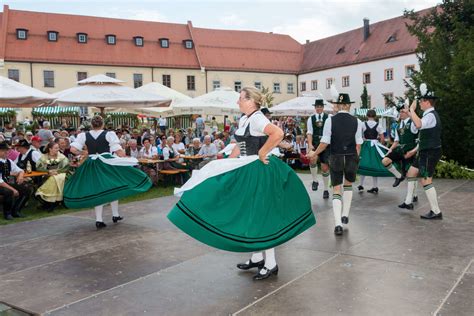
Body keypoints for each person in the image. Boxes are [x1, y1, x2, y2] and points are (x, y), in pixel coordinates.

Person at [167, 87, 315, 281]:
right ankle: (256, 256)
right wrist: (226, 163)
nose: (238, 102)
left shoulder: (257, 118)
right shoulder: (246, 119)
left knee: (261, 215)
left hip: (260, 170)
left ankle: (270, 263)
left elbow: (277, 134)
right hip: (248, 167)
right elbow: (239, 145)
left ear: (251, 101)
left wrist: (262, 153)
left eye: (240, 99)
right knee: (251, 213)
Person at [64, 115, 152, 229]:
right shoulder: (109, 134)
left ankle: (100, 219)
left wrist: (84, 153)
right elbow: (118, 151)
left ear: (91, 124)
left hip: (92, 164)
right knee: (113, 186)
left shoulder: (83, 135)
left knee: (98, 190)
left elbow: (73, 149)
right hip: (107, 163)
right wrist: (127, 158)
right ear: (103, 124)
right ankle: (114, 215)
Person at [307, 92, 362, 236]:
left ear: (338, 105)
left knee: (336, 189)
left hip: (336, 156)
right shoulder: (357, 121)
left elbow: (325, 142)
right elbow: (358, 144)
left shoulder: (330, 120)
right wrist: (357, 158)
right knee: (348, 184)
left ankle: (338, 223)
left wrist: (315, 153)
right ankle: (345, 214)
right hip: (351, 156)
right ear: (349, 106)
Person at [402, 84, 443, 219]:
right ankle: (408, 202)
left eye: (420, 101)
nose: (419, 103)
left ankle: (436, 211)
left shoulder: (431, 116)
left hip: (430, 152)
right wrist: (410, 112)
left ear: (426, 101)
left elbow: (418, 124)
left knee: (426, 181)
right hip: (425, 151)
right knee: (411, 172)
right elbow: (416, 126)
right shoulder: (428, 115)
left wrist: (412, 110)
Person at [382, 105, 419, 188]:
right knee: (385, 160)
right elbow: (396, 141)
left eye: (403, 111)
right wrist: (390, 149)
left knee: (411, 175)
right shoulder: (398, 125)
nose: (401, 113)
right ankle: (399, 176)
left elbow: (419, 132)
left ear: (407, 112)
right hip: (400, 150)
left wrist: (413, 151)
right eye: (400, 112)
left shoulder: (412, 123)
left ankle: (414, 195)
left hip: (410, 151)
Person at [357, 109, 387, 194]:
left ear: (367, 116)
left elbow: (359, 135)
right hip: (375, 146)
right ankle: (375, 186)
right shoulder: (378, 125)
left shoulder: (363, 124)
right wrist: (380, 145)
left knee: (363, 164)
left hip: (365, 145)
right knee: (375, 165)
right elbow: (382, 138)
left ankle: (361, 185)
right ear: (375, 116)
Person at [35, 142, 70, 212]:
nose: (58, 149)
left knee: (55, 178)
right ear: (50, 149)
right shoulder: (44, 157)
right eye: (56, 148)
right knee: (53, 178)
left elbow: (66, 167)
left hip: (60, 175)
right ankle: (51, 202)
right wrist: (48, 172)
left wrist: (57, 172)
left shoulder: (61, 157)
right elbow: (38, 167)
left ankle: (52, 202)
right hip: (47, 175)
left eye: (58, 148)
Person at [306, 99, 331, 198]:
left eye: (321, 106)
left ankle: (326, 189)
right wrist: (310, 144)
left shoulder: (328, 117)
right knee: (312, 159)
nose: (319, 108)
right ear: (315, 108)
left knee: (325, 168)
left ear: (323, 107)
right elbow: (309, 132)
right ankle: (315, 180)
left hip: (325, 143)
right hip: (315, 142)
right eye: (317, 106)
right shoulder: (310, 119)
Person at [0, 142, 31, 220]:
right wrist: (13, 189)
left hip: (7, 182)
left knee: (27, 188)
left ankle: (16, 211)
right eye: (4, 150)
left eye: (7, 150)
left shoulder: (9, 161)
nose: (7, 152)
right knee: (8, 191)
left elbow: (20, 170)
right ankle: (7, 214)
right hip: (2, 184)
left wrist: (20, 176)